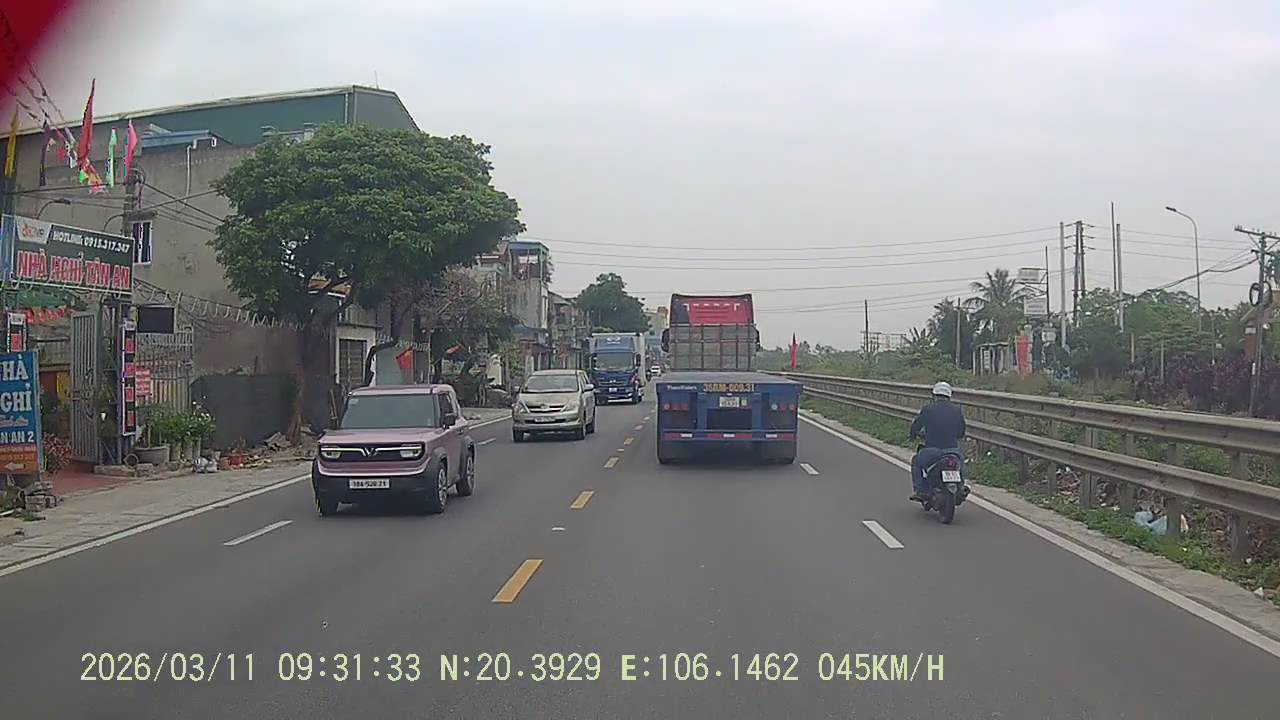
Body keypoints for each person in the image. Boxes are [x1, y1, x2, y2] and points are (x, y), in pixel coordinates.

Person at [907, 381, 966, 502]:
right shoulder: (957, 410)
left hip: (932, 451)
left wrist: (912, 436)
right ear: (949, 395)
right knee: (960, 465)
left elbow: (917, 425)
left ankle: (920, 490)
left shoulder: (928, 409)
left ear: (934, 395)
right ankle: (961, 487)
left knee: (916, 462)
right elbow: (961, 431)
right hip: (952, 451)